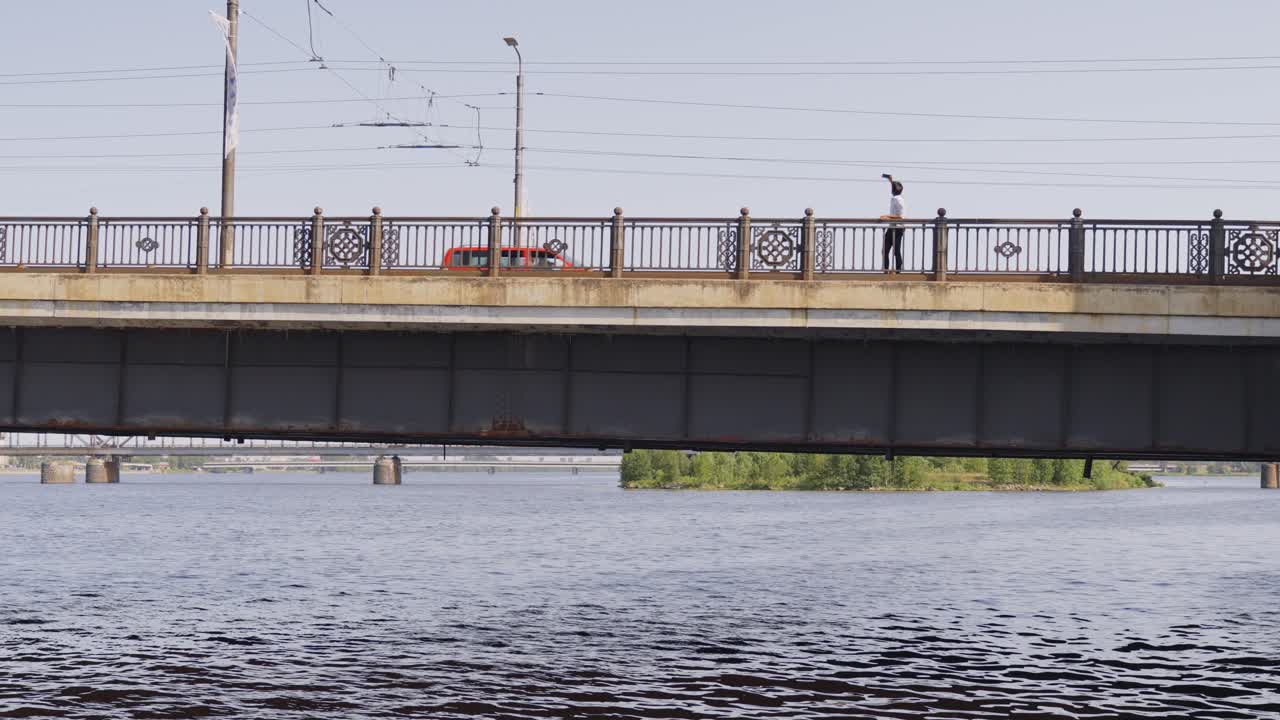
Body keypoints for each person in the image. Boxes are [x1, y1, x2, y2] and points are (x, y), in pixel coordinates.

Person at [879, 175, 905, 273]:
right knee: (885, 250)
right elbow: (895, 187)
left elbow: (901, 217)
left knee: (896, 251)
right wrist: (890, 180)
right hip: (892, 227)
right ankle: (886, 269)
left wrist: (887, 216)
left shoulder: (898, 200)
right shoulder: (897, 197)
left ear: (893, 190)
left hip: (897, 228)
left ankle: (898, 270)